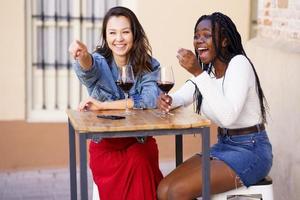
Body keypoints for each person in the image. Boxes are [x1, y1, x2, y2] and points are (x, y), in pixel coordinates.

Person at [156, 12, 273, 199]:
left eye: (207, 35)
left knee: (178, 191)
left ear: (225, 41)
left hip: (251, 150)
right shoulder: (207, 73)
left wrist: (197, 72)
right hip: (223, 145)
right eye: (196, 36)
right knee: (163, 189)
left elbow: (228, 116)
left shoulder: (239, 64)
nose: (199, 40)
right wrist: (168, 100)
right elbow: (183, 96)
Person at [68, 6, 163, 200]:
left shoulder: (149, 65)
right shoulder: (98, 62)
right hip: (106, 147)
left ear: (134, 34)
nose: (118, 38)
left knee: (140, 158)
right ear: (105, 35)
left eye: (125, 32)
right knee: (138, 161)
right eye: (112, 33)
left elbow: (149, 100)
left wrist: (103, 106)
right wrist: (82, 55)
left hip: (140, 141)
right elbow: (88, 68)